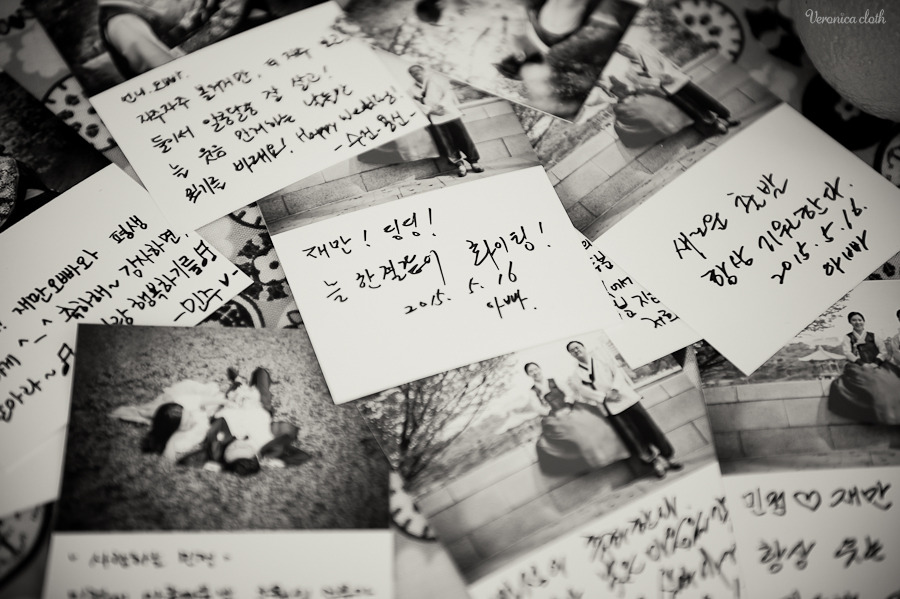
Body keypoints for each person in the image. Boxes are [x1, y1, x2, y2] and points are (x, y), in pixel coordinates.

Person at [565, 340, 682, 478]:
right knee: (634, 438)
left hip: (628, 400)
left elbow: (618, 373)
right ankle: (655, 463)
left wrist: (615, 390)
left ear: (583, 347)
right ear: (571, 355)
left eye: (577, 347)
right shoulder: (576, 374)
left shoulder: (602, 359)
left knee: (650, 429)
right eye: (572, 350)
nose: (576, 351)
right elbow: (583, 391)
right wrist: (604, 397)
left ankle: (669, 457)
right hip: (611, 409)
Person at [524, 362, 627, 475]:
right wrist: (553, 413)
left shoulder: (554, 381)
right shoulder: (532, 392)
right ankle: (596, 461)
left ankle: (614, 454)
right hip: (554, 416)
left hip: (570, 408)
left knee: (592, 421)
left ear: (540, 369)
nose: (535, 372)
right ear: (528, 375)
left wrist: (568, 406)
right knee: (572, 431)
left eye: (536, 369)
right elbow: (538, 408)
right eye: (531, 371)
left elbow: (569, 392)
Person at [617, 42, 740, 137]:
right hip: (668, 90)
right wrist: (658, 81)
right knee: (694, 109)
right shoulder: (632, 69)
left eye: (626, 49)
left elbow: (663, 59)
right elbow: (641, 82)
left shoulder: (646, 50)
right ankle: (718, 125)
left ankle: (727, 118)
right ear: (622, 55)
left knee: (705, 99)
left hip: (678, 79)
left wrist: (668, 74)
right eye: (622, 52)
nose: (626, 52)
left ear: (629, 46)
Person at [408, 64, 484, 178]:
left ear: (423, 70)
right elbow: (416, 103)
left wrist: (442, 105)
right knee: (446, 144)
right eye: (412, 72)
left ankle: (474, 162)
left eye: (417, 70)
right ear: (411, 75)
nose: (415, 73)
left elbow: (448, 92)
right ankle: (459, 165)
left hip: (449, 113)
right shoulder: (412, 90)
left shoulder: (435, 79)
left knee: (463, 138)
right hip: (434, 118)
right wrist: (431, 110)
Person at [828, 311, 900, 424]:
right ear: (850, 322)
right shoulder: (848, 337)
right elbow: (848, 353)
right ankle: (877, 415)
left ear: (864, 321)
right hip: (857, 365)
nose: (858, 322)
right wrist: (862, 364)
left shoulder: (873, 335)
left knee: (891, 380)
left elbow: (883, 351)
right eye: (854, 320)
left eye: (860, 320)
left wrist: (876, 363)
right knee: (867, 382)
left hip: (876, 363)